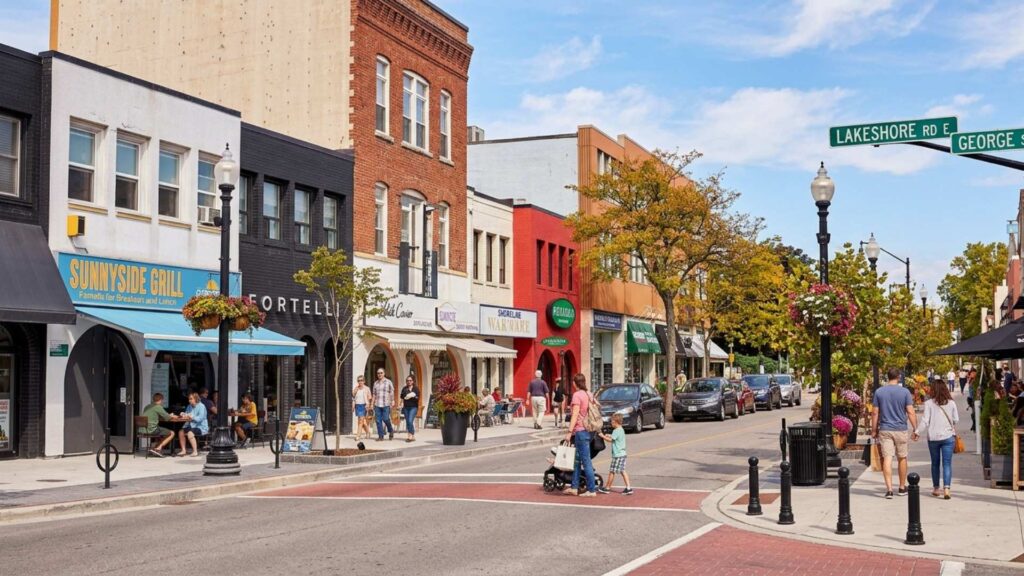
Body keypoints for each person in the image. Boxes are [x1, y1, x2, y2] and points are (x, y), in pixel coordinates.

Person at [871, 368, 918, 499]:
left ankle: (889, 489)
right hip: (901, 429)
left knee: (887, 458)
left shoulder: (879, 392)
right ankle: (902, 487)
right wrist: (915, 428)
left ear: (888, 377)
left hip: (885, 429)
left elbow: (875, 412)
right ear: (898, 377)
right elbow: (910, 411)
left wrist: (874, 430)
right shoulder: (905, 392)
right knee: (902, 457)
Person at [914, 376, 959, 500]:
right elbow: (956, 420)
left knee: (935, 463)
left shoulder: (928, 404)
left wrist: (917, 432)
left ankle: (935, 488)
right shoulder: (952, 403)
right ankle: (947, 489)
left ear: (933, 390)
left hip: (933, 438)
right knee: (947, 464)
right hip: (948, 437)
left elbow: (925, 421)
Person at [564, 373, 596, 498]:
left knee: (585, 461)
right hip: (588, 430)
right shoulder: (589, 394)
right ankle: (574, 487)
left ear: (574, 383)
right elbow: (597, 405)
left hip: (580, 431)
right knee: (576, 461)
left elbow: (575, 414)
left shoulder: (577, 395)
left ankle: (591, 489)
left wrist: (569, 431)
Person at [597, 413, 633, 495]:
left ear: (616, 422)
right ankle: (628, 488)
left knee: (612, 471)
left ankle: (607, 488)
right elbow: (615, 438)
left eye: (612, 422)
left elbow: (611, 440)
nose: (611, 423)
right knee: (622, 471)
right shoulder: (621, 429)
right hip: (622, 454)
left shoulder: (616, 430)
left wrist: (602, 435)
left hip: (618, 455)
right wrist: (609, 435)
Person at [142, 392, 176, 457]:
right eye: (162, 400)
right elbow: (167, 418)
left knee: (162, 432)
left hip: (142, 429)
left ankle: (153, 448)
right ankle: (158, 448)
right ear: (160, 400)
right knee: (172, 433)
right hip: (151, 429)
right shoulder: (158, 407)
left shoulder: (147, 406)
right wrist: (171, 415)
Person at [177, 392, 208, 457]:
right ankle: (183, 450)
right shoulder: (189, 406)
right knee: (181, 432)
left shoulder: (201, 406)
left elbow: (200, 418)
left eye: (191, 399)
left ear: (195, 399)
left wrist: (192, 417)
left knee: (190, 433)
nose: (189, 400)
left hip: (201, 427)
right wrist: (183, 414)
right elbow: (187, 414)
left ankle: (195, 451)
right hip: (191, 425)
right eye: (189, 399)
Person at [373, 368, 395, 441]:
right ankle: (380, 436)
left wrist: (392, 400)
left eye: (381, 373)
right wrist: (371, 403)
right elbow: (374, 394)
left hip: (386, 404)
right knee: (378, 421)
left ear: (384, 373)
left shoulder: (388, 382)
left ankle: (391, 430)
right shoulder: (375, 383)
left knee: (385, 418)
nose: (379, 374)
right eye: (378, 373)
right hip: (377, 404)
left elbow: (391, 392)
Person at [352, 375, 373, 441]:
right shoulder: (356, 388)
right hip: (357, 406)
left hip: (364, 406)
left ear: (364, 381)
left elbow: (369, 398)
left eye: (361, 380)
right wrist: (353, 406)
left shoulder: (367, 388)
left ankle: (358, 436)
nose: (360, 382)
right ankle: (368, 432)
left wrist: (369, 406)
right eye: (358, 380)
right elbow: (353, 398)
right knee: (363, 422)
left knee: (360, 421)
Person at [400, 376, 419, 442]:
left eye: (410, 380)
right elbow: (402, 397)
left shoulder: (416, 389)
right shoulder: (404, 389)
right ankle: (412, 435)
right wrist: (401, 405)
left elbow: (417, 398)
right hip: (406, 407)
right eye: (407, 380)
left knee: (410, 420)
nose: (409, 382)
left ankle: (410, 436)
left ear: (413, 381)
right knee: (408, 422)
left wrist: (413, 396)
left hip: (413, 407)